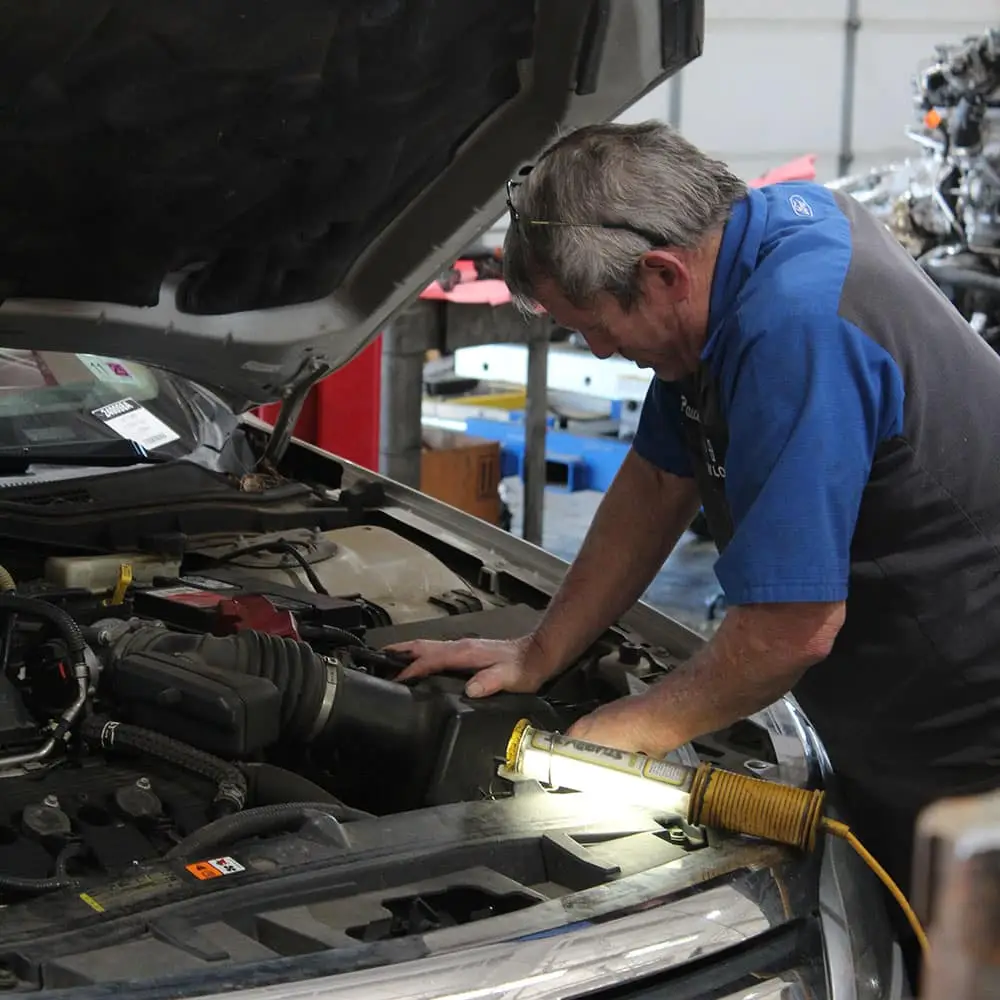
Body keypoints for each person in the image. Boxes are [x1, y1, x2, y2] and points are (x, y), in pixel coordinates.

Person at [386, 121, 1000, 937]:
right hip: (902, 715)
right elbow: (657, 479)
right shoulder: (745, 253)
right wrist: (541, 651)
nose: (598, 352)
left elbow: (790, 631)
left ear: (661, 273)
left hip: (971, 736)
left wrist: (619, 737)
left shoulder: (794, 327)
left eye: (592, 326)